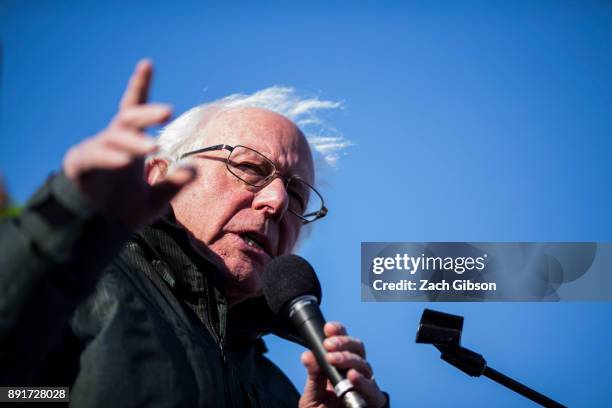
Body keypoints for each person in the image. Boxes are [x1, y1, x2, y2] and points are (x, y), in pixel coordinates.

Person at [0, 60, 388, 407]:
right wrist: (62, 217)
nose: (277, 202)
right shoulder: (78, 281)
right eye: (251, 169)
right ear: (158, 176)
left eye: (298, 195)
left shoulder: (283, 395)